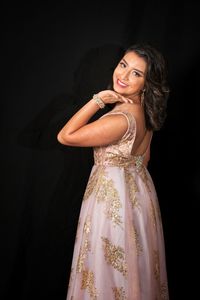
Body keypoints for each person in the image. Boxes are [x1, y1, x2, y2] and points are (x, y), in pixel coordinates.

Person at [57, 43, 169, 300]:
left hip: (111, 205)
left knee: (108, 271)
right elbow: (144, 160)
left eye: (136, 74)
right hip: (138, 200)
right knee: (133, 270)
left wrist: (98, 100)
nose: (124, 76)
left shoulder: (121, 119)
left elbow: (65, 136)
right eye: (123, 65)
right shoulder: (146, 115)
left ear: (146, 83)